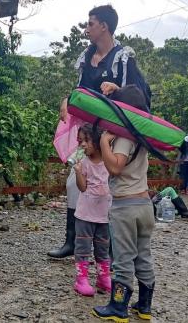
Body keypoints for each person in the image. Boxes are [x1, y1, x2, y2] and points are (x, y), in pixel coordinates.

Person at [50, 4, 151, 259]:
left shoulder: (123, 57)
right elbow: (79, 91)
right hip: (88, 132)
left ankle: (112, 246)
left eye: (90, 23)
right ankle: (73, 240)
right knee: (76, 181)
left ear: (104, 26)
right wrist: (67, 100)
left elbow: (136, 96)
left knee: (108, 186)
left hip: (113, 133)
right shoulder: (86, 57)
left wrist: (116, 89)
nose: (87, 29)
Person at [92, 86, 155, 322]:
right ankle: (145, 306)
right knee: (143, 256)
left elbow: (116, 167)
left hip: (125, 206)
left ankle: (118, 307)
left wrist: (105, 143)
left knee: (123, 257)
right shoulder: (142, 134)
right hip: (144, 204)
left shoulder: (124, 137)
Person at [72, 124, 112, 297]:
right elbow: (82, 188)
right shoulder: (84, 163)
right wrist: (78, 172)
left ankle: (103, 278)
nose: (83, 145)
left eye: (87, 140)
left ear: (98, 141)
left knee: (103, 247)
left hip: (105, 215)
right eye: (81, 141)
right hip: (85, 215)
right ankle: (81, 280)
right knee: (83, 248)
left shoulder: (110, 162)